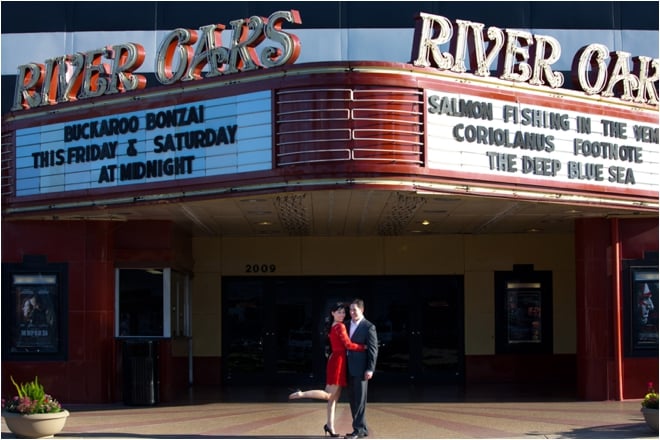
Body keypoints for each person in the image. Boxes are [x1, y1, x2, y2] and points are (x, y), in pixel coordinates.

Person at [289, 302, 366, 437]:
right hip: (338, 362)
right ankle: (301, 394)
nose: (342, 314)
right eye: (339, 312)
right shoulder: (340, 326)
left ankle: (330, 426)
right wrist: (362, 347)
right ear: (332, 313)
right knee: (329, 395)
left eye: (343, 312)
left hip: (335, 360)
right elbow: (348, 345)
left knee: (334, 399)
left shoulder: (333, 326)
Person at [345, 298, 378, 439]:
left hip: (361, 369)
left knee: (360, 401)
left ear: (362, 310)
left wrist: (370, 369)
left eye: (355, 310)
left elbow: (373, 349)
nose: (352, 312)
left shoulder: (369, 327)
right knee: (352, 399)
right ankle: (362, 429)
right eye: (350, 310)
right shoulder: (345, 325)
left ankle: (357, 430)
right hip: (348, 368)